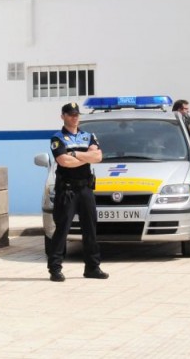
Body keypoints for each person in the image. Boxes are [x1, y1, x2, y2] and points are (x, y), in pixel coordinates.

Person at [47, 102, 108, 282]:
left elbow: (98, 157)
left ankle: (92, 267)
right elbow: (63, 161)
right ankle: (55, 268)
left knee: (90, 229)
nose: (74, 117)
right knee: (62, 230)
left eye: (76, 114)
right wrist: (84, 156)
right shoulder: (57, 138)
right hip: (67, 190)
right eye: (70, 114)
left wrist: (74, 154)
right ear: (63, 116)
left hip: (85, 189)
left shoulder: (88, 136)